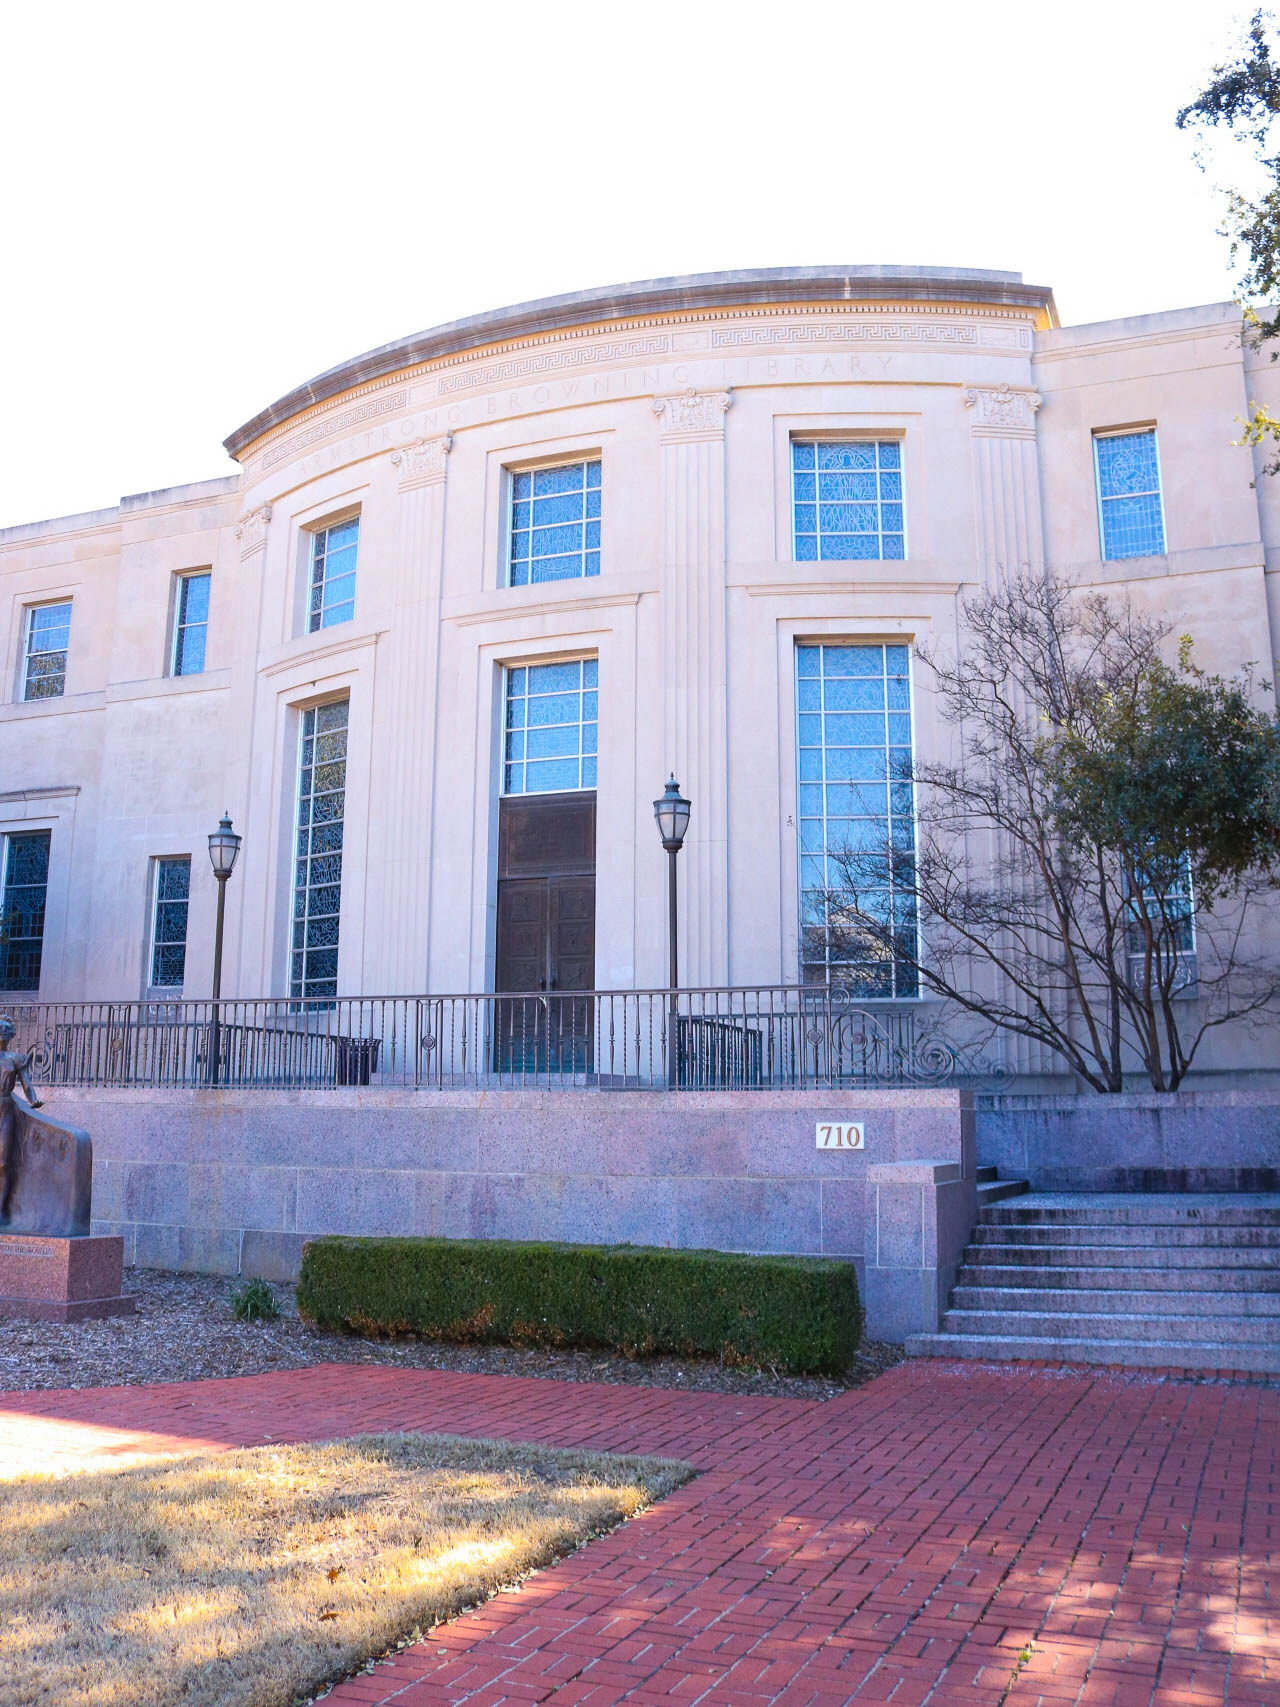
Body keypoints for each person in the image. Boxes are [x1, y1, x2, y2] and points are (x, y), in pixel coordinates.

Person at [0, 1015, 42, 1224]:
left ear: (10, 1036)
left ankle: (1, 1208)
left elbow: (26, 1085)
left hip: (5, 1107)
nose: (2, 1034)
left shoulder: (16, 1059)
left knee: (3, 1161)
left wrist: (33, 1100)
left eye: (6, 1031)